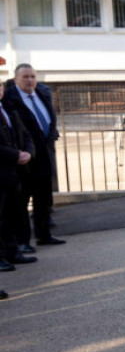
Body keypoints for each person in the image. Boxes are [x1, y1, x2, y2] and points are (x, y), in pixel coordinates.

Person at [2, 64, 63, 248]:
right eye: (25, 77)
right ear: (16, 79)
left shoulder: (42, 95)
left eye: (32, 77)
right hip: (24, 159)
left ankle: (44, 235)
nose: (30, 80)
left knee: (43, 198)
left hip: (45, 155)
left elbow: (49, 121)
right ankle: (23, 241)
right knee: (22, 202)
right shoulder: (10, 99)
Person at [0, 79, 36, 285]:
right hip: (3, 170)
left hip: (13, 174)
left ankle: (12, 252)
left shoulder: (7, 109)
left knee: (12, 215)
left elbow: (24, 134)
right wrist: (15, 155)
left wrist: (28, 153)